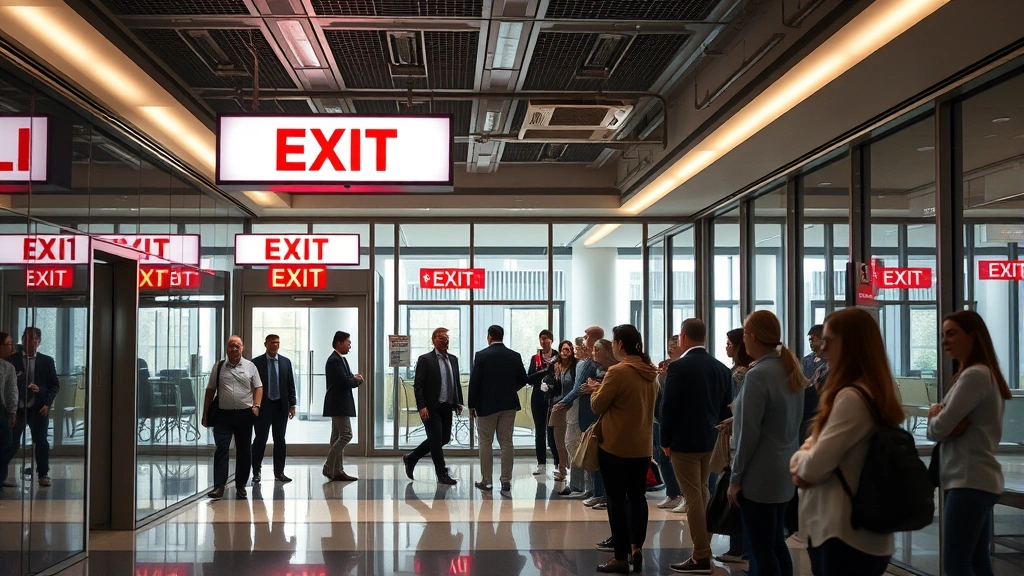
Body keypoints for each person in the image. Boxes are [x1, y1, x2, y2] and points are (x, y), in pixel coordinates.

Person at [790, 308, 905, 576]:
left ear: (852, 345)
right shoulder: (877, 390)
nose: (823, 348)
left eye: (829, 341)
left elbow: (810, 468)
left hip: (841, 533)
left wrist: (801, 454)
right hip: (862, 532)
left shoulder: (852, 398)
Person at [928, 310, 1010, 576]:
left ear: (973, 337)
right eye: (943, 335)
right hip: (976, 480)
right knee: (976, 560)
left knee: (956, 563)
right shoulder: (980, 374)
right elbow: (947, 426)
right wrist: (944, 420)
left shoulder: (974, 375)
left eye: (952, 333)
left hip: (969, 480)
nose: (945, 341)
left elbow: (938, 429)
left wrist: (935, 415)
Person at [729, 310, 804, 576]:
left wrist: (735, 479)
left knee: (761, 550)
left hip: (759, 476)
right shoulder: (788, 369)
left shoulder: (757, 375)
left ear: (750, 336)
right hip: (784, 471)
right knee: (774, 543)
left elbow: (748, 435)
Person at [660, 319, 733, 574]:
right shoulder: (721, 369)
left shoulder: (679, 367)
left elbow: (669, 407)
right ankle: (705, 548)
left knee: (693, 496)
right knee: (702, 492)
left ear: (683, 338)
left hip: (684, 441)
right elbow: (726, 409)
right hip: (710, 440)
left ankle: (701, 555)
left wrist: (665, 441)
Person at [591, 324, 658, 574]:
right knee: (638, 498)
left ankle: (620, 557)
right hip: (641, 447)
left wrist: (595, 390)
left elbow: (598, 406)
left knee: (616, 500)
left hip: (615, 447)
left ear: (619, 344)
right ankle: (636, 546)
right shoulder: (651, 373)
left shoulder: (618, 372)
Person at [469, 325, 527, 497]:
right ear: (503, 336)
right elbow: (523, 379)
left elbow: (475, 382)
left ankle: (486, 480)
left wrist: (472, 405)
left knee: (485, 442)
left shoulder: (482, 356)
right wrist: (510, 389)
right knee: (506, 442)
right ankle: (506, 481)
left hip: (486, 406)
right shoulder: (514, 356)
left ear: (489, 337)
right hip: (508, 405)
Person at [202, 335, 263, 500]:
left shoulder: (250, 366)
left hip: (244, 414)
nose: (234, 349)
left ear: (242, 348)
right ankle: (219, 487)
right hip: (223, 414)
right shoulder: (219, 366)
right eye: (231, 346)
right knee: (222, 448)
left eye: (237, 346)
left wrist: (256, 406)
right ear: (226, 348)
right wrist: (204, 413)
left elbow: (258, 387)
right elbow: (210, 390)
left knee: (244, 451)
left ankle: (241, 485)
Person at [403, 328, 463, 486]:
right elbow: (418, 385)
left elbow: (454, 383)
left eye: (447, 338)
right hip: (430, 407)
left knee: (444, 438)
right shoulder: (425, 359)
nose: (446, 341)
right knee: (436, 440)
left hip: (447, 405)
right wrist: (421, 406)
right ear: (433, 340)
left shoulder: (453, 359)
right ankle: (441, 473)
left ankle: (412, 457)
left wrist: (457, 402)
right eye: (442, 338)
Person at [552, 327, 603, 497]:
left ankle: (589, 488)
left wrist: (563, 402)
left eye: (585, 338)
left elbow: (579, 388)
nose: (581, 344)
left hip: (585, 410)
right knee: (573, 445)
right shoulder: (582, 363)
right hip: (578, 408)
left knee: (581, 447)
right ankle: (581, 486)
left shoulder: (591, 363)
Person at [717, 327, 753, 564]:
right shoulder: (741, 371)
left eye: (730, 343)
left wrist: (732, 418)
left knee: (737, 494)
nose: (727, 347)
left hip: (737, 441)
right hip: (735, 436)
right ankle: (739, 546)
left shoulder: (742, 374)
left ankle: (739, 547)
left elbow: (739, 407)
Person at [7, 327, 59, 488]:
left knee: (41, 442)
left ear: (39, 342)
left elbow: (55, 385)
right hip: (18, 409)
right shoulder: (12, 360)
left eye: (33, 339)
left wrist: (46, 401)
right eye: (26, 338)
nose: (29, 342)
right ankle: (1, 473)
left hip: (38, 408)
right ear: (22, 340)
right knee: (11, 442)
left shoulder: (47, 361)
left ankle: (43, 474)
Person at [251, 334, 297, 484]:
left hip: (280, 406)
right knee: (260, 439)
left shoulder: (285, 362)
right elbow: (252, 386)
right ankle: (256, 471)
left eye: (278, 342)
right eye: (272, 342)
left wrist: (292, 404)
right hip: (263, 407)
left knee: (280, 440)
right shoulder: (256, 363)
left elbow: (290, 384)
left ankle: (279, 472)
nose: (275, 345)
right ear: (266, 344)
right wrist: (254, 405)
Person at [323, 331, 361, 482]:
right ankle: (328, 466)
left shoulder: (341, 359)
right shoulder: (334, 361)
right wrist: (356, 380)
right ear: (339, 343)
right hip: (338, 404)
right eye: (348, 342)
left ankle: (338, 471)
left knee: (336, 436)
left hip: (340, 402)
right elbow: (345, 382)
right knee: (346, 435)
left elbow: (347, 378)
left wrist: (354, 379)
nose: (350, 345)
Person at [654, 334, 685, 512]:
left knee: (676, 459)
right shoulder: (666, 365)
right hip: (660, 417)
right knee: (661, 457)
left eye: (674, 345)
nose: (670, 348)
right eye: (669, 345)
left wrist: (666, 377)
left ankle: (682, 495)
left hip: (676, 419)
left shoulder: (682, 367)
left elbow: (673, 392)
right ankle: (672, 492)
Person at [528, 329, 558, 475]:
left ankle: (558, 463)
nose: (543, 341)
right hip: (537, 397)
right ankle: (541, 463)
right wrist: (544, 372)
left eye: (545, 338)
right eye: (541, 338)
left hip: (553, 398)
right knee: (539, 431)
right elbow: (529, 378)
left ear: (551, 340)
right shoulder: (535, 358)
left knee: (552, 431)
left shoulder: (558, 356)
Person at [548, 340, 577, 483]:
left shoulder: (576, 367)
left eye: (567, 349)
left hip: (571, 406)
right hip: (557, 406)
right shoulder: (556, 367)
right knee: (558, 439)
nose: (564, 352)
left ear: (571, 351)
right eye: (562, 350)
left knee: (571, 440)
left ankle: (575, 470)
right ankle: (562, 468)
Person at [0, 332, 16, 494]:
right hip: (1, 410)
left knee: (7, 442)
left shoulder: (8, 366)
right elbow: (11, 392)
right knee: (6, 441)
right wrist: (12, 412)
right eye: (8, 344)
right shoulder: (7, 367)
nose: (12, 347)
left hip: (2, 410)